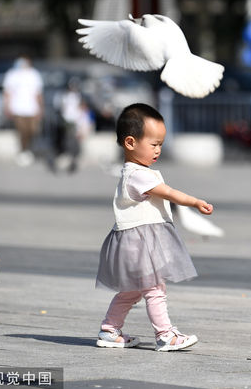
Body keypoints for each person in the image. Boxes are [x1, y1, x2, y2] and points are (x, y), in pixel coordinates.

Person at [95, 103, 213, 352]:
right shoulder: (139, 175)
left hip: (131, 242)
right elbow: (168, 192)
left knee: (131, 291)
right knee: (155, 288)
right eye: (153, 144)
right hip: (140, 243)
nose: (158, 150)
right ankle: (165, 335)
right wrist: (194, 201)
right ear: (130, 143)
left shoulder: (133, 171)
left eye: (160, 144)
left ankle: (109, 330)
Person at [2, 55, 44, 166]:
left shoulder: (34, 74)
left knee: (32, 130)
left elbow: (38, 93)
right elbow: (7, 93)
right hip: (18, 109)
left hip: (32, 109)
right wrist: (7, 107)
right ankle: (23, 151)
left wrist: (40, 108)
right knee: (22, 131)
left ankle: (29, 149)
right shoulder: (12, 74)